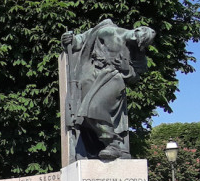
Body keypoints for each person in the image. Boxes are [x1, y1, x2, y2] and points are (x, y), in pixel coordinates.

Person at [61, 19, 155, 160]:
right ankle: (97, 147)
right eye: (138, 40)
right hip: (91, 77)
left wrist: (127, 70)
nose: (137, 46)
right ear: (136, 31)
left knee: (95, 108)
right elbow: (80, 41)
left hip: (114, 78)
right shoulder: (106, 29)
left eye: (140, 44)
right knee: (83, 116)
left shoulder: (138, 51)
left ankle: (113, 143)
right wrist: (69, 39)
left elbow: (136, 75)